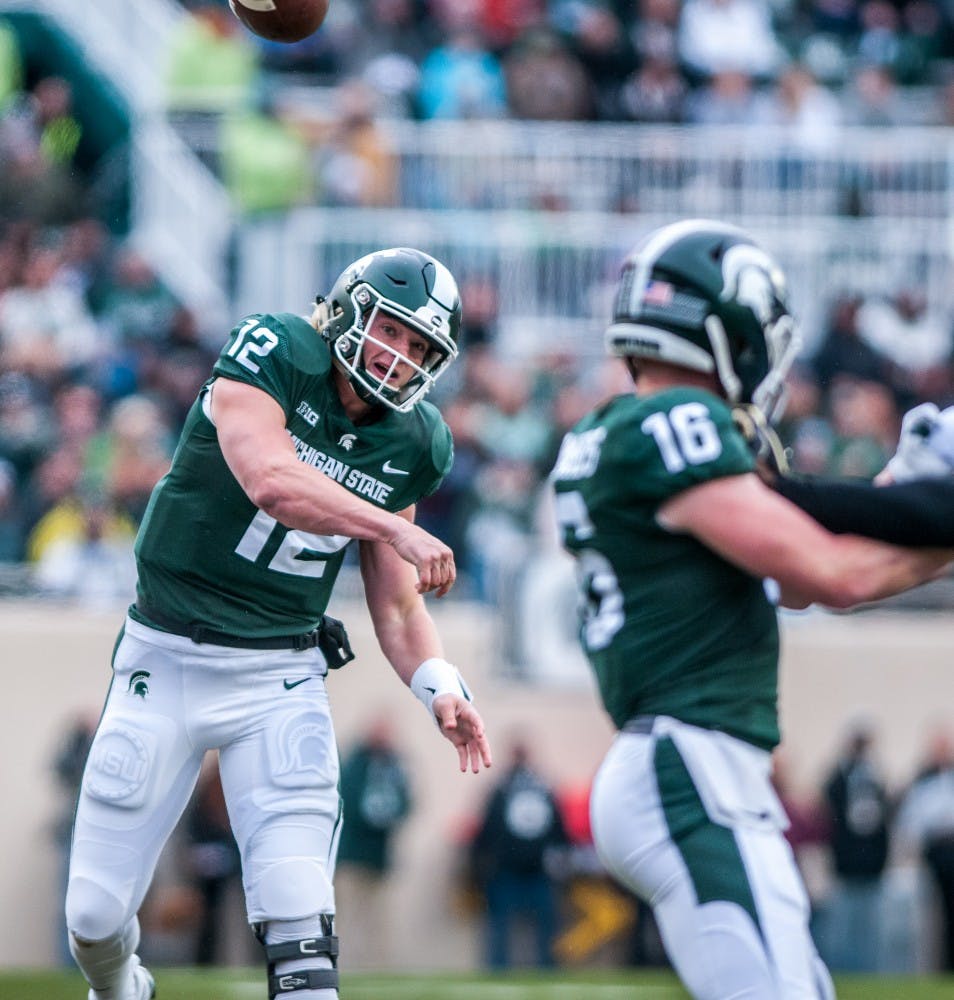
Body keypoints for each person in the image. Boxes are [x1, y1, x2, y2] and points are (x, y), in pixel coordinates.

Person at [63, 246, 493, 1000]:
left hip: (278, 674)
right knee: (93, 917)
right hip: (165, 656)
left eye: (422, 349)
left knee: (300, 927)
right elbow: (269, 480)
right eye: (393, 331)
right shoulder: (278, 350)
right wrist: (393, 527)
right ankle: (121, 986)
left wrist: (439, 686)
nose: (400, 359)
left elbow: (395, 603)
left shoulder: (415, 441)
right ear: (349, 310)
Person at [549, 218, 954, 1000]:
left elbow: (804, 578)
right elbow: (830, 574)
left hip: (697, 766)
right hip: (691, 766)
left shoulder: (623, 430)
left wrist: (908, 498)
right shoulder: (673, 424)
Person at [469, 741, 569, 969]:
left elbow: (559, 830)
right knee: (500, 928)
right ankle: (499, 970)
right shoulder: (504, 790)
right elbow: (487, 831)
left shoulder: (537, 789)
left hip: (536, 871)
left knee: (544, 928)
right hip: (507, 871)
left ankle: (547, 968)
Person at [334, 717, 412, 970]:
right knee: (348, 915)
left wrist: (389, 816)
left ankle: (377, 966)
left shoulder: (394, 766)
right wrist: (373, 819)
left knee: (378, 918)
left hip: (379, 856)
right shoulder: (355, 763)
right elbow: (348, 801)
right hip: (352, 855)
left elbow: (406, 802)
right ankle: (342, 964)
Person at [818, 722, 891, 972]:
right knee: (843, 931)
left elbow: (883, 821)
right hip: (846, 866)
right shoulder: (840, 777)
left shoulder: (875, 777)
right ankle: (842, 974)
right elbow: (830, 813)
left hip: (871, 867)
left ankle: (868, 974)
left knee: (870, 931)